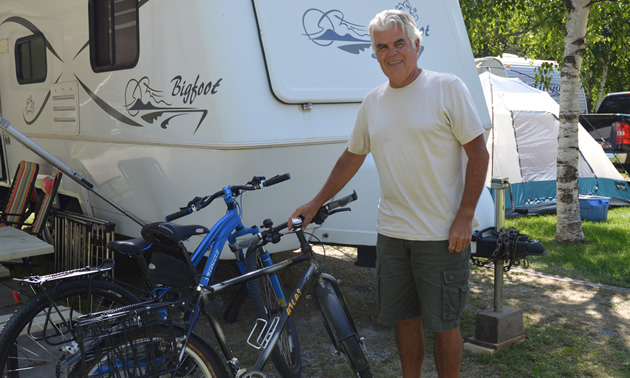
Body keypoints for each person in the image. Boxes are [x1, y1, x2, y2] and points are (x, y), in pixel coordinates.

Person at [289, 9, 489, 378]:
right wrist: (315, 202)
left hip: (441, 235)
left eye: (399, 43)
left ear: (416, 44)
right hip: (393, 233)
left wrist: (465, 216)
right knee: (404, 319)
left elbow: (478, 153)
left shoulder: (447, 88)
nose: (391, 52)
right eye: (382, 47)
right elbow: (352, 156)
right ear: (375, 53)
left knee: (444, 324)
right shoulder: (373, 102)